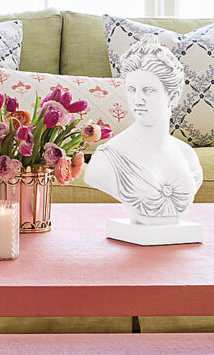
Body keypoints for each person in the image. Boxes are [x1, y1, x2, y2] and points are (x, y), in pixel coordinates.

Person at [85, 34, 202, 226]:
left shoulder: (188, 156)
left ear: (173, 95)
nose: (138, 100)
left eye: (148, 90)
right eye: (132, 90)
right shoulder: (107, 158)